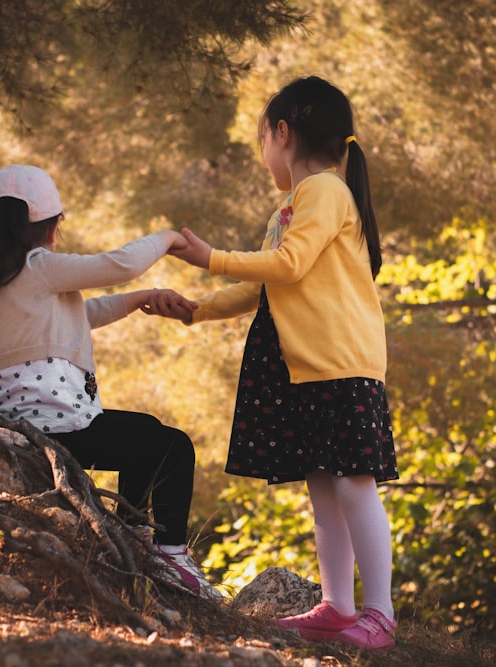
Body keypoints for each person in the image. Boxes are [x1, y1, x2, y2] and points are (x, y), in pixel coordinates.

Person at [164, 77, 400, 650]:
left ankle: (381, 613)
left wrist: (209, 257)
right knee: (324, 484)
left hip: (339, 359)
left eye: (262, 137)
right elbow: (261, 289)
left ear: (284, 133)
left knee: (351, 482)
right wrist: (195, 311)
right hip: (308, 363)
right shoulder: (290, 206)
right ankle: (338, 606)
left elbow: (288, 265)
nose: (262, 151)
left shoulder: (324, 191)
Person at [0, 164, 217, 598]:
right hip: (62, 428)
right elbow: (118, 264)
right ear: (50, 225)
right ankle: (170, 554)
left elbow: (80, 316)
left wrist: (141, 299)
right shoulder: (40, 267)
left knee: (148, 434)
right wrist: (167, 239)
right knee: (173, 447)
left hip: (31, 424)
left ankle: (137, 538)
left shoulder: (2, 281)